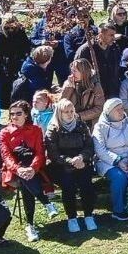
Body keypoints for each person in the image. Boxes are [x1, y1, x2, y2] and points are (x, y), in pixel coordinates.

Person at [0, 101, 56, 242]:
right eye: (12, 114)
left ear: (26, 114)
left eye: (18, 113)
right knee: (25, 177)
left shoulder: (36, 130)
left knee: (27, 183)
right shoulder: (4, 132)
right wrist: (19, 169)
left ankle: (30, 225)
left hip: (35, 168)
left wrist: (32, 168)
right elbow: (6, 156)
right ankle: (47, 203)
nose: (14, 117)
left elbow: (40, 152)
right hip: (14, 169)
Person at [43, 98, 98, 233]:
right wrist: (70, 161)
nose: (69, 114)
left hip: (81, 162)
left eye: (71, 111)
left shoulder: (81, 126)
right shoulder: (53, 129)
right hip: (61, 165)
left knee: (86, 184)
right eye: (65, 112)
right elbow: (53, 154)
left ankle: (88, 215)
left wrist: (81, 157)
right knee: (68, 185)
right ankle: (72, 217)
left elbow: (89, 146)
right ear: (59, 113)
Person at [94, 98, 128, 221]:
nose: (121, 111)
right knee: (119, 177)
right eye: (117, 109)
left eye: (122, 108)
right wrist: (118, 161)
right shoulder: (100, 127)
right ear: (109, 112)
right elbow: (100, 149)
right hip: (108, 161)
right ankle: (119, 210)